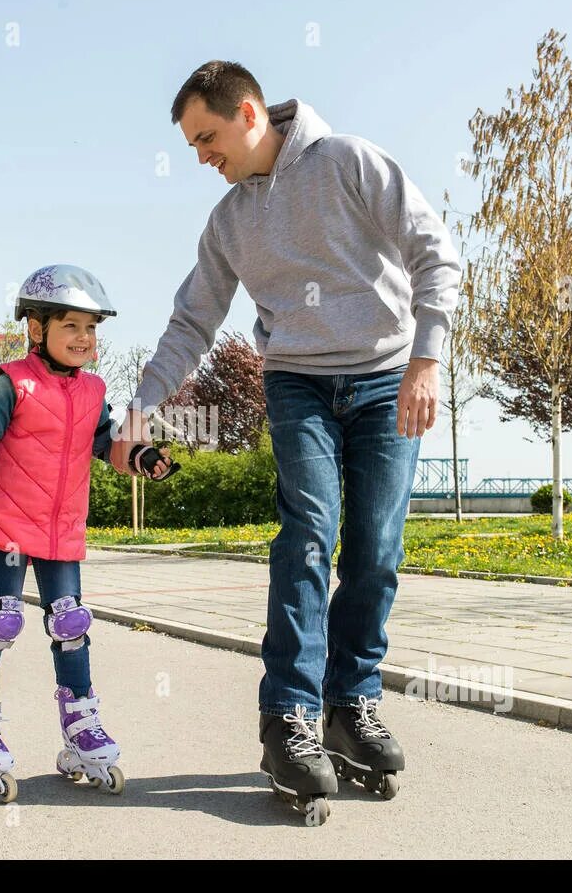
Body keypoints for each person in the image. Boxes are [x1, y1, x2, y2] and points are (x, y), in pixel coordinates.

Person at [111, 61, 460, 825]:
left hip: (386, 375)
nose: (203, 157)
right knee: (309, 533)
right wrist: (137, 407)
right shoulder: (230, 220)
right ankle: (289, 717)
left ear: (247, 113)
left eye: (206, 138)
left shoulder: (348, 163)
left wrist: (428, 358)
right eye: (193, 146)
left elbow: (435, 250)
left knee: (376, 547)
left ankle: (352, 706)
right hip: (297, 379)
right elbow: (190, 323)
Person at [0, 264, 174, 802]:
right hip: (9, 528)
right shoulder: (12, 382)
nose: (85, 339)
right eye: (72, 328)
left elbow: (106, 442)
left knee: (72, 625)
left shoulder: (94, 390)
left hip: (61, 532)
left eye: (92, 330)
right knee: (1, 622)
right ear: (37, 329)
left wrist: (141, 456)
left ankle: (82, 728)